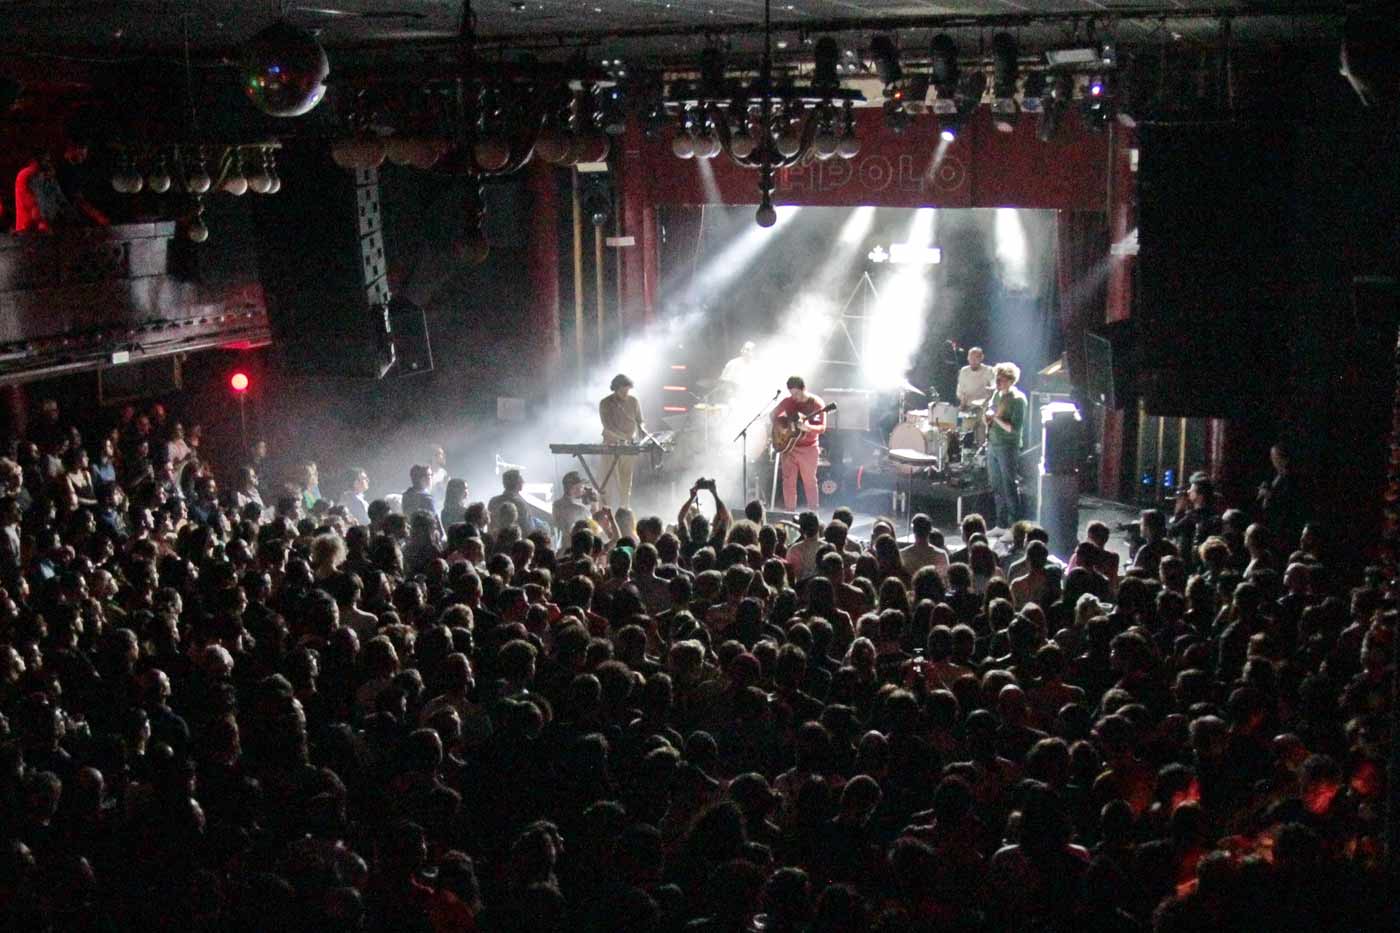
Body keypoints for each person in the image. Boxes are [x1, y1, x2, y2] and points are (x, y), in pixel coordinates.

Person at [771, 376, 827, 513]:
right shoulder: (788, 401)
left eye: (797, 393)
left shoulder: (817, 404)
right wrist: (781, 429)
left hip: (809, 447)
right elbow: (772, 415)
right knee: (788, 481)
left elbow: (822, 428)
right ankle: (790, 512)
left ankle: (813, 514)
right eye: (792, 394)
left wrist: (808, 428)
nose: (794, 397)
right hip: (789, 446)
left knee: (810, 482)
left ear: (804, 389)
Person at [984, 362, 1027, 532]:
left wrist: (995, 417)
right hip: (993, 444)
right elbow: (991, 414)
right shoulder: (996, 394)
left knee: (1009, 486)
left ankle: (1014, 526)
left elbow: (1013, 428)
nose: (997, 383)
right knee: (996, 486)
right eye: (996, 379)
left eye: (1000, 380)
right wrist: (988, 417)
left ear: (1010, 380)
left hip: (1008, 447)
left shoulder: (1018, 399)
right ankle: (1001, 524)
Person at [599, 373, 644, 509]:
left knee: (626, 481)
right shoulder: (605, 403)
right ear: (615, 388)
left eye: (628, 391)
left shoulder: (633, 401)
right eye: (623, 391)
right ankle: (605, 511)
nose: (626, 394)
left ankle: (624, 509)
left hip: (628, 447)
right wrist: (625, 438)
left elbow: (640, 421)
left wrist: (642, 433)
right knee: (609, 482)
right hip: (610, 446)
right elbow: (608, 426)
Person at [900, 513, 949, 579]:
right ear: (930, 530)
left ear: (913, 530)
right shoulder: (940, 555)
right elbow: (944, 579)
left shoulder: (903, 554)